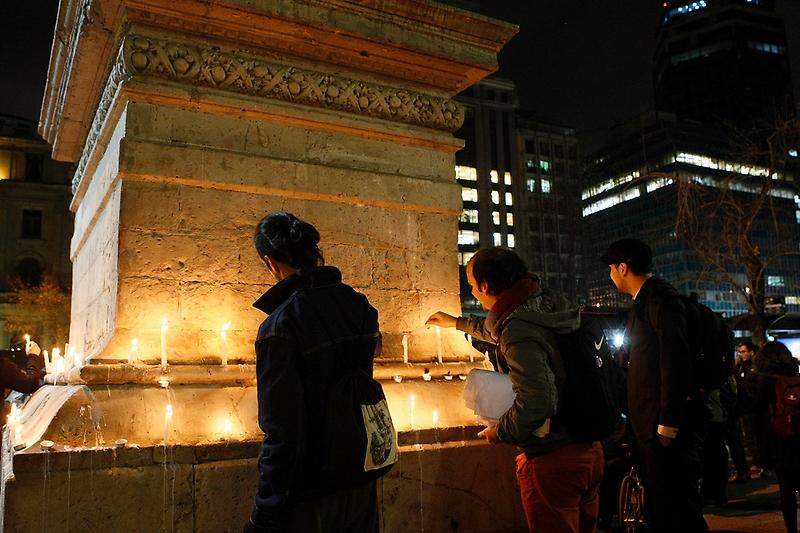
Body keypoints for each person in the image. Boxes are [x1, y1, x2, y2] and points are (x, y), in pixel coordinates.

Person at [427, 247, 604, 533]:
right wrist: (457, 323)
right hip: (588, 449)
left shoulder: (518, 330)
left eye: (472, 286)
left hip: (552, 460)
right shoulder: (546, 303)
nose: (473, 293)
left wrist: (501, 432)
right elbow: (507, 330)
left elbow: (538, 400)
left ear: (485, 286)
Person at [245, 212, 382, 533]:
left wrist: (265, 509)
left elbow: (281, 427)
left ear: (270, 262)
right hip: (360, 471)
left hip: (311, 486)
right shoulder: (358, 304)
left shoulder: (280, 325)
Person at [601, 238, 708, 532]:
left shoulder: (661, 300)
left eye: (611, 268)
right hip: (648, 425)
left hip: (662, 429)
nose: (610, 276)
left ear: (622, 268)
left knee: (677, 509)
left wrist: (667, 423)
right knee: (662, 508)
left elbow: (675, 362)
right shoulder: (645, 302)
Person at [752, 341, 800, 533]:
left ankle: (792, 530)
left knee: (786, 488)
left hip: (781, 441)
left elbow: (757, 411)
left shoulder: (767, 380)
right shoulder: (797, 376)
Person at [734, 340, 761, 479]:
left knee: (755, 435)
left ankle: (759, 463)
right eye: (740, 352)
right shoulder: (740, 366)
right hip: (744, 407)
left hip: (754, 407)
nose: (741, 354)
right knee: (749, 436)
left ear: (751, 351)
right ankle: (756, 462)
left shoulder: (756, 367)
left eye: (744, 351)